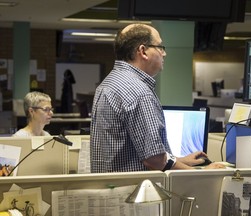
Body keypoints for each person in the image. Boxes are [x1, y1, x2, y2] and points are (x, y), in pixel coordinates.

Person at [90, 23, 224, 173]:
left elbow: (130, 152)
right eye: (159, 47)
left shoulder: (110, 82)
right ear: (143, 51)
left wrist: (181, 160)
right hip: (135, 191)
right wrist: (201, 173)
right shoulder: (139, 92)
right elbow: (153, 160)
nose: (164, 53)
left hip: (113, 187)